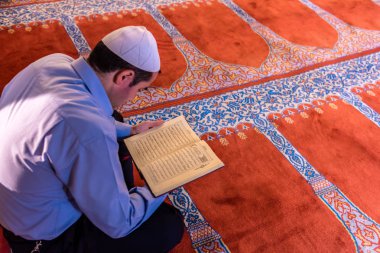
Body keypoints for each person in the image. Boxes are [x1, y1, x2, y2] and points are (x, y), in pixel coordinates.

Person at [0, 26, 184, 253]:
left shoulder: (53, 62)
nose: (135, 96)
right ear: (125, 77)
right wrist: (162, 182)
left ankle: (111, 194)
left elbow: (85, 121)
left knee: (114, 117)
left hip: (18, 206)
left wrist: (132, 130)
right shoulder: (87, 129)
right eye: (140, 89)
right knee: (168, 223)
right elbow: (119, 223)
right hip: (43, 239)